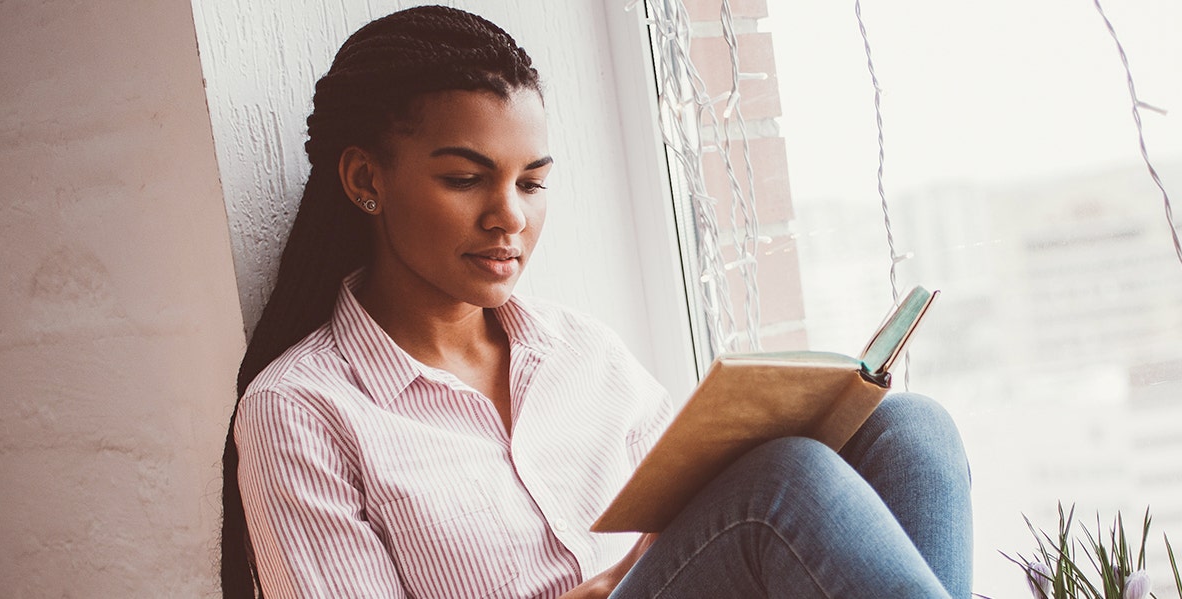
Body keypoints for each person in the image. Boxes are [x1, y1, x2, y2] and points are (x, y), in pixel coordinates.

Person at [219, 5, 973, 598]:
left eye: (532, 181)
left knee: (908, 427)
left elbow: (691, 527)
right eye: (464, 178)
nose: (509, 215)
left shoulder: (582, 352)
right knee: (782, 484)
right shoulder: (300, 409)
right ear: (365, 181)